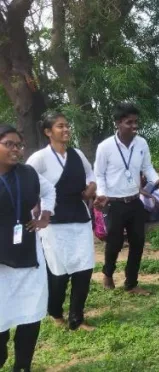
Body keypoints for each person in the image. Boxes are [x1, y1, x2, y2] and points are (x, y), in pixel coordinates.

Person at [25, 113, 97, 332]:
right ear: (48, 132)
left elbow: (90, 173)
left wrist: (92, 186)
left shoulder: (77, 154)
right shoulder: (39, 158)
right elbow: (26, 182)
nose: (66, 130)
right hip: (54, 222)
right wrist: (35, 208)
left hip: (79, 216)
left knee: (84, 268)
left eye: (67, 126)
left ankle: (77, 318)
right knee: (59, 272)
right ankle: (55, 311)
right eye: (60, 126)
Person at [0, 125, 56, 371]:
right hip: (1, 263)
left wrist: (45, 215)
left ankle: (23, 365)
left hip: (28, 257)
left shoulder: (28, 173)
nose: (16, 150)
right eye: (9, 144)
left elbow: (49, 190)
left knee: (31, 314)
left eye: (19, 145)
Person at [93, 102, 159, 295]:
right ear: (118, 123)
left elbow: (147, 167)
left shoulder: (141, 143)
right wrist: (102, 195)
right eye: (129, 122)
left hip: (134, 200)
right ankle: (108, 273)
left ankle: (131, 283)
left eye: (136, 122)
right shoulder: (105, 147)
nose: (134, 126)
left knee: (138, 243)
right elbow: (99, 175)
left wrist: (158, 180)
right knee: (114, 243)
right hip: (114, 203)